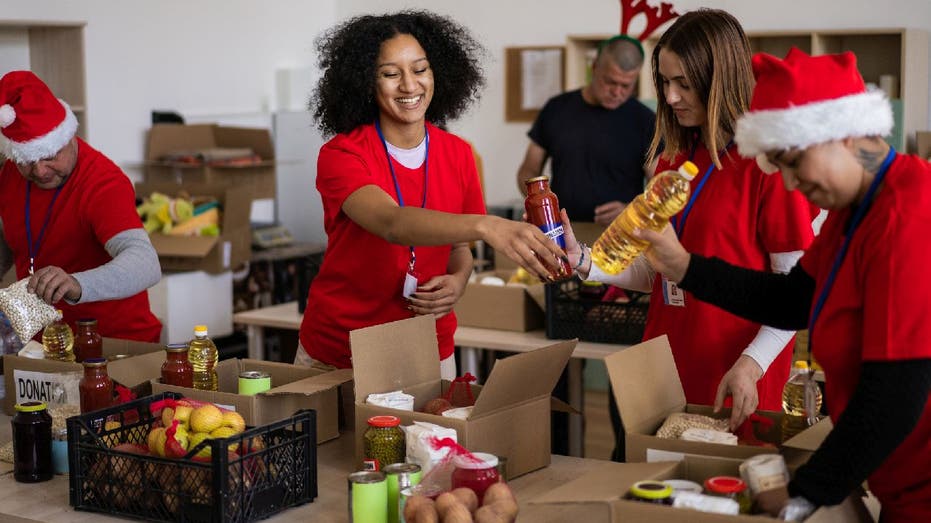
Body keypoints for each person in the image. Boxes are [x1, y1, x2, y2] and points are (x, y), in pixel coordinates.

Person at [637, 47, 931, 522]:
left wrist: (805, 491)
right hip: (898, 478)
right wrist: (684, 267)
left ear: (843, 135)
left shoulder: (906, 214)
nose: (790, 184)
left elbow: (896, 393)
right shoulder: (853, 212)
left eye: (793, 161)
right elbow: (793, 298)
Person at [564, 9, 816, 458]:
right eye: (663, 82)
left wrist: (750, 365)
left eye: (683, 82)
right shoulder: (673, 158)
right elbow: (658, 270)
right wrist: (585, 262)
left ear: (720, 77)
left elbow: (794, 298)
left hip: (734, 378)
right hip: (663, 370)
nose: (671, 96)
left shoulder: (767, 167)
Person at [296, 11, 568, 377]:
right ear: (365, 83)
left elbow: (460, 248)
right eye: (391, 74)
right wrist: (488, 226)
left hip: (428, 346)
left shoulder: (460, 153)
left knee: (433, 436)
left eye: (420, 69)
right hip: (342, 348)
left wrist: (458, 280)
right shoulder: (342, 154)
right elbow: (391, 222)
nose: (410, 86)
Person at [0, 70, 162, 342]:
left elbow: (146, 263)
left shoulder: (104, 183)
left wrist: (76, 284)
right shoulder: (10, 174)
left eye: (50, 156)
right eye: (27, 160)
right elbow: (10, 238)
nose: (40, 171)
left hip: (112, 343)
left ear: (67, 136)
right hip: (45, 344)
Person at [516, 36, 655, 226]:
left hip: (620, 236)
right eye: (610, 82)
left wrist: (632, 210)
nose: (617, 92)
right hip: (562, 231)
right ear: (595, 67)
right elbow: (529, 169)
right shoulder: (557, 109)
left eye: (626, 86)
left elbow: (660, 190)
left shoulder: (645, 120)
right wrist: (540, 204)